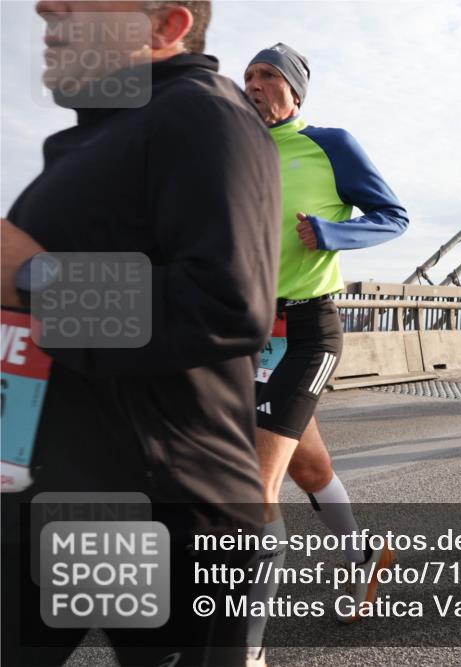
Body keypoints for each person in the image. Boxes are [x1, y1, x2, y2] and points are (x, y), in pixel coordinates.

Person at [1, 2, 280, 665]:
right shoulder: (98, 140)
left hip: (170, 507)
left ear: (167, 27)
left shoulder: (203, 111)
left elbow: (226, 303)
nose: (45, 7)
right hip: (61, 490)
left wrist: (32, 277)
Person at [241, 42, 409, 659]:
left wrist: (333, 231)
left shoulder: (330, 143)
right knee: (308, 469)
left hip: (307, 331)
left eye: (268, 76)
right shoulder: (236, 150)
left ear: (294, 91)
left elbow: (394, 215)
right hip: (246, 334)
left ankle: (247, 649)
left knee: (253, 489)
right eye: (249, 75)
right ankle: (364, 556)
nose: (254, 84)